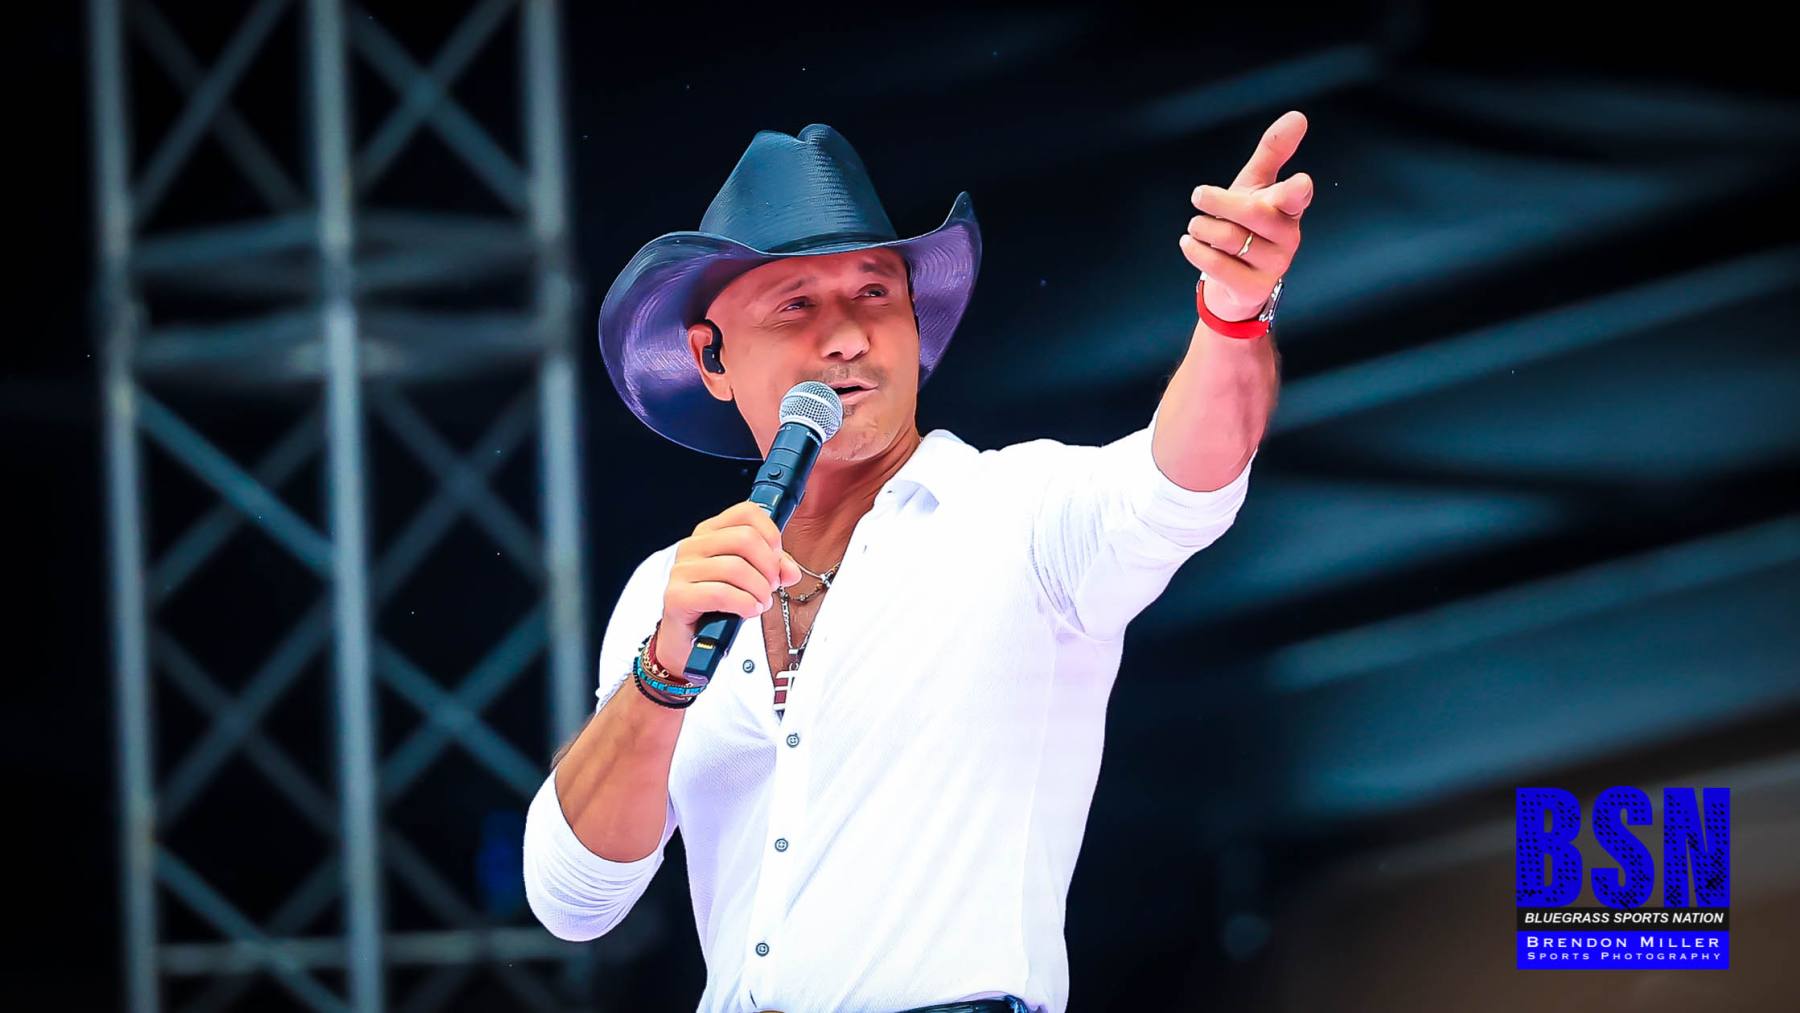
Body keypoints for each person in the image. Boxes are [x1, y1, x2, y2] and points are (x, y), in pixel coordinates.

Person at [523, 118, 1312, 1013]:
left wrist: (1232, 313)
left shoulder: (1017, 511)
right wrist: (663, 673)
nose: (847, 338)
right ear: (711, 356)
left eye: (874, 293)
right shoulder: (671, 590)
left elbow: (1187, 480)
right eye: (795, 304)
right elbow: (573, 899)